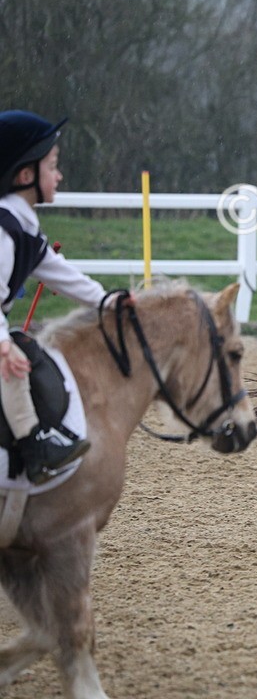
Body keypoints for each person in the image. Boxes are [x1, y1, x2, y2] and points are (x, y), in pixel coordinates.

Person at [0, 110, 111, 484]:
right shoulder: (4, 231)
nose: (59, 175)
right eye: (52, 166)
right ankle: (34, 448)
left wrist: (109, 302)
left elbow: (64, 276)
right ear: (25, 176)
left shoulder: (24, 228)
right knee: (13, 360)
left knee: (26, 350)